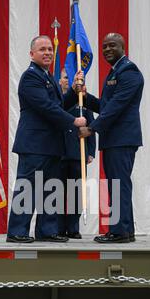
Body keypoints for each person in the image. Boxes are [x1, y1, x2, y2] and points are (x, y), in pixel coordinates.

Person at [7, 35, 86, 243]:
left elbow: (57, 105)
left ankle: (47, 231)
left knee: (51, 188)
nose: (48, 53)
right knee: (27, 186)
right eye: (42, 49)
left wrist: (74, 91)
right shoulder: (31, 77)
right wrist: (73, 121)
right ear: (32, 54)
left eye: (50, 49)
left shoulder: (47, 76)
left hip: (51, 145)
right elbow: (45, 107)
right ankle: (17, 231)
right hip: (34, 144)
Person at [79, 33, 144, 243]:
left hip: (122, 139)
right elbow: (107, 106)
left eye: (112, 46)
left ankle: (120, 232)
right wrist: (85, 96)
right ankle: (125, 230)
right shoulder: (116, 72)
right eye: (104, 46)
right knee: (117, 184)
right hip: (115, 139)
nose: (107, 49)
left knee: (118, 185)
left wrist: (92, 128)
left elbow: (117, 107)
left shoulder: (129, 71)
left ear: (123, 47)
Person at [58, 68, 96, 238]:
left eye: (71, 77)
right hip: (58, 153)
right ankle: (58, 228)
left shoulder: (82, 100)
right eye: (65, 77)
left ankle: (73, 228)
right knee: (57, 193)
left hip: (77, 153)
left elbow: (91, 127)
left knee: (76, 193)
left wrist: (90, 152)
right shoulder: (56, 100)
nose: (68, 80)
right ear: (60, 80)